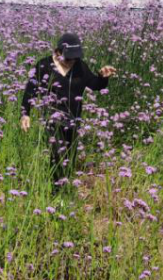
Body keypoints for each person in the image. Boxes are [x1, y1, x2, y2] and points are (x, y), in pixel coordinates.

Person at [20, 33, 116, 180]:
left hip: (74, 120)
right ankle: (56, 192)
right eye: (69, 58)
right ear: (57, 52)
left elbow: (95, 84)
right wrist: (25, 113)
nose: (72, 62)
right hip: (52, 119)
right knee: (57, 156)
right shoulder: (44, 65)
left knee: (70, 157)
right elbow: (30, 90)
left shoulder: (80, 67)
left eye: (74, 58)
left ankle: (64, 192)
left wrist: (103, 77)